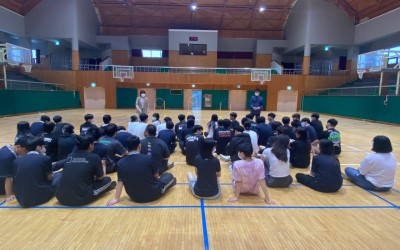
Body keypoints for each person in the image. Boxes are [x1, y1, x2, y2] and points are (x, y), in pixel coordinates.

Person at [107, 136, 176, 205]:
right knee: (169, 176)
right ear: (139, 146)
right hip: (153, 194)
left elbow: (120, 182)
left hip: (134, 197)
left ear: (126, 148)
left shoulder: (120, 163)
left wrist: (116, 198)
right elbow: (156, 177)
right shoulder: (148, 159)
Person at [56, 135, 116, 206]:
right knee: (107, 180)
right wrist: (103, 164)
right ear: (90, 145)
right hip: (80, 199)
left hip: (60, 197)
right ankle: (103, 190)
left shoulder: (70, 155)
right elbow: (100, 178)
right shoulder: (94, 157)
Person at [14, 137, 57, 207]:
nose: (45, 149)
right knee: (58, 176)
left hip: (20, 198)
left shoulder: (17, 160)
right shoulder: (45, 158)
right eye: (43, 147)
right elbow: (49, 178)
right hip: (39, 197)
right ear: (38, 147)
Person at [0, 136, 28, 202]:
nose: (26, 153)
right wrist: (9, 195)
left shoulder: (8, 147)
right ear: (18, 147)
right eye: (25, 151)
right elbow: (8, 178)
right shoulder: (8, 157)